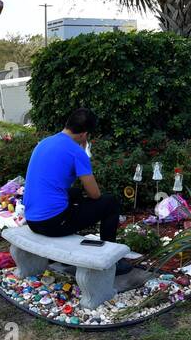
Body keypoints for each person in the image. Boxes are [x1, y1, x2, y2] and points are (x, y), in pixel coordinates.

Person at [23, 108, 127, 270]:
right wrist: (84, 152)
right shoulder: (77, 152)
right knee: (110, 203)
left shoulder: (44, 143)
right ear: (84, 135)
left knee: (76, 193)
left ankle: (62, 249)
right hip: (52, 224)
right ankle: (111, 260)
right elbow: (95, 194)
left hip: (32, 219)